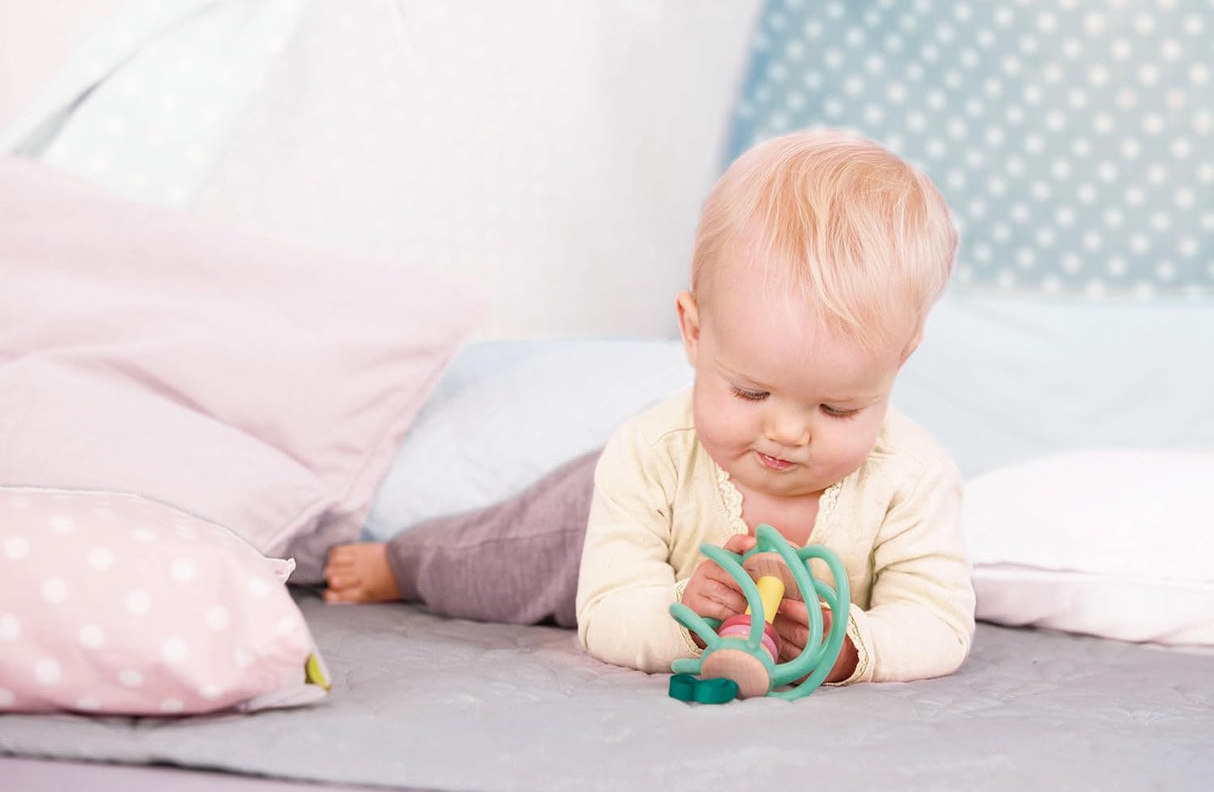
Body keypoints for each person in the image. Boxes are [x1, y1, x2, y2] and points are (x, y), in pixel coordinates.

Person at [324, 129, 975, 685]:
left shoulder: (911, 477)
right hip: (580, 522)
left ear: (900, 358)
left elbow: (939, 622)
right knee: (499, 560)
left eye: (835, 409)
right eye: (750, 392)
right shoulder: (648, 453)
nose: (785, 431)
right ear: (694, 333)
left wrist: (851, 646)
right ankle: (403, 561)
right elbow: (606, 611)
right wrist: (683, 617)